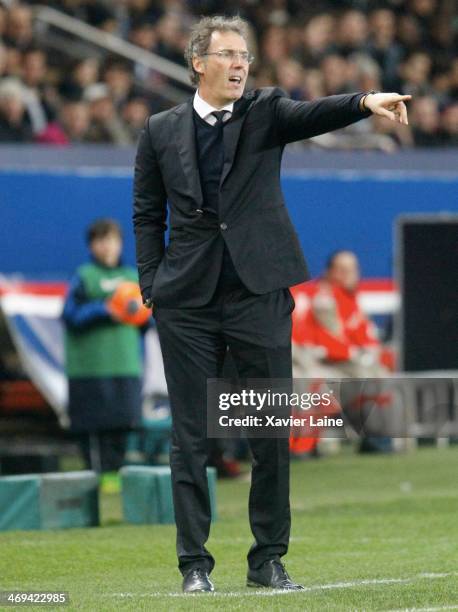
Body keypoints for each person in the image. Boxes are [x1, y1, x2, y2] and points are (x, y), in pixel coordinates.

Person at [132, 15, 410, 593]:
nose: (240, 65)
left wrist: (365, 101)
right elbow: (146, 214)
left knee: (266, 433)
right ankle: (194, 566)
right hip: (186, 303)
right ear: (197, 63)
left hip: (257, 295)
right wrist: (153, 287)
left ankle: (268, 561)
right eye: (228, 55)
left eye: (245, 56)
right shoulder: (159, 130)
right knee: (191, 438)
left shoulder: (264, 112)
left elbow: (314, 114)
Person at [63, 219, 143, 473]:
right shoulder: (84, 277)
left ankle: (116, 476)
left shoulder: (133, 278)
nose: (106, 246)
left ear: (120, 244)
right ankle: (98, 476)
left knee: (122, 425)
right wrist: (105, 310)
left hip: (126, 367)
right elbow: (70, 315)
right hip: (90, 371)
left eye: (111, 240)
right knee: (94, 429)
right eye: (100, 240)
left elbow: (147, 321)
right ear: (91, 245)